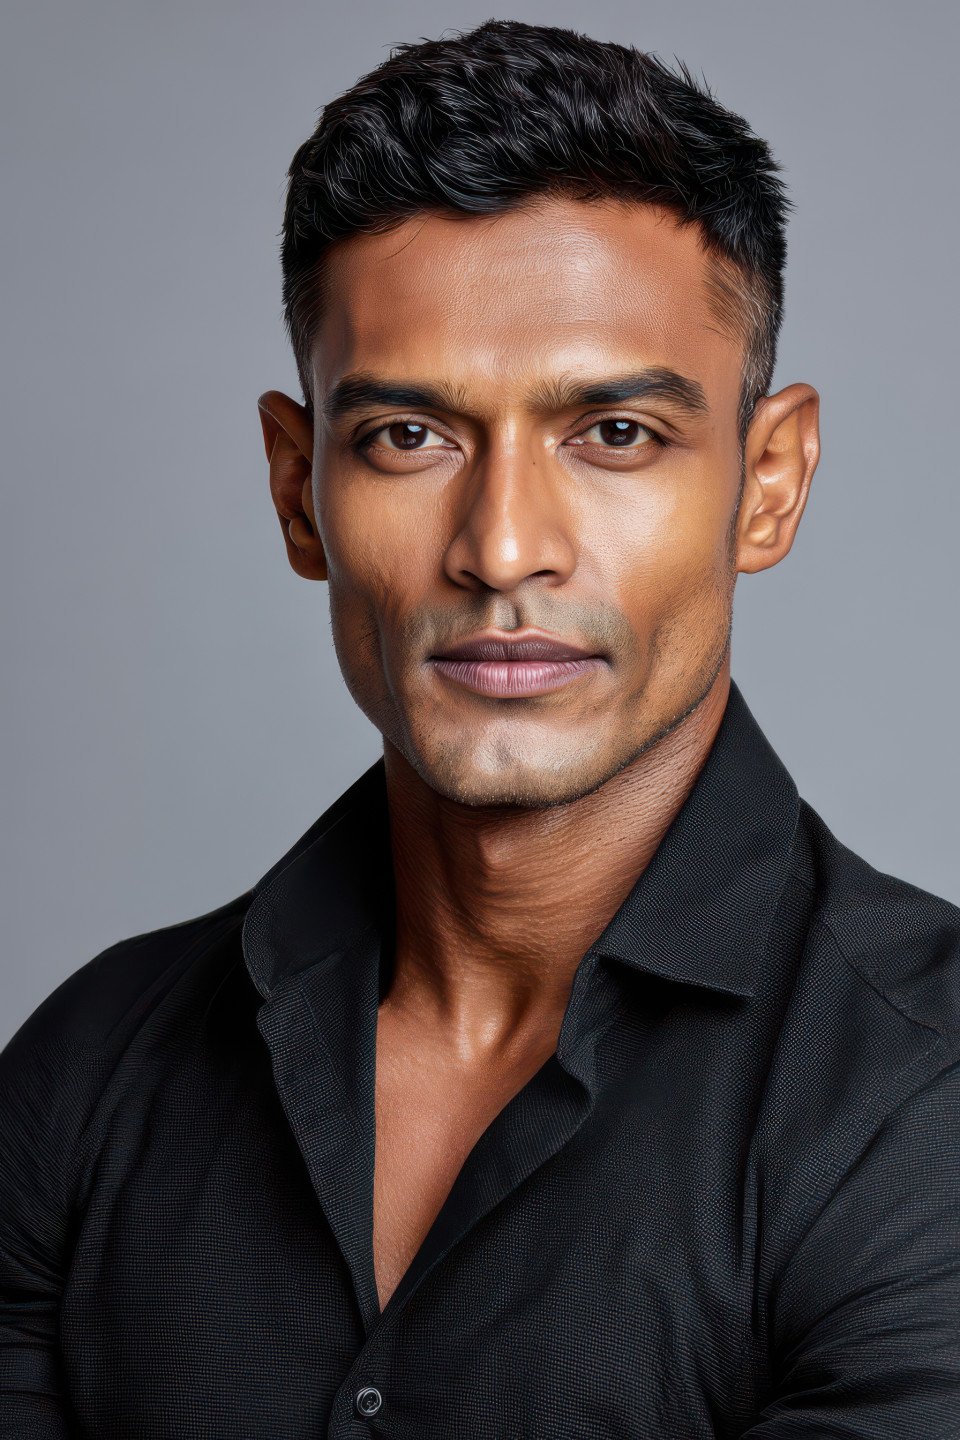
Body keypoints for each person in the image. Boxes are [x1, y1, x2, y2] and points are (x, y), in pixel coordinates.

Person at [2, 17, 958, 1437]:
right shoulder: (89, 1070)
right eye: (409, 437)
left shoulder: (924, 1103)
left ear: (768, 484)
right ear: (295, 487)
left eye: (614, 434)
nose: (503, 547)